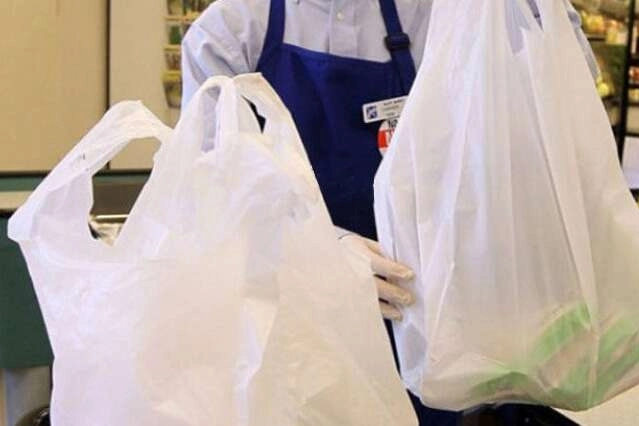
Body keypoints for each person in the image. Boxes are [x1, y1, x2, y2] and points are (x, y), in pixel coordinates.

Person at [181, 0, 598, 423]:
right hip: (296, 329)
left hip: (434, 323)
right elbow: (214, 191)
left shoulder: (446, 10)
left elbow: (569, 102)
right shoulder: (232, 31)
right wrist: (319, 249)